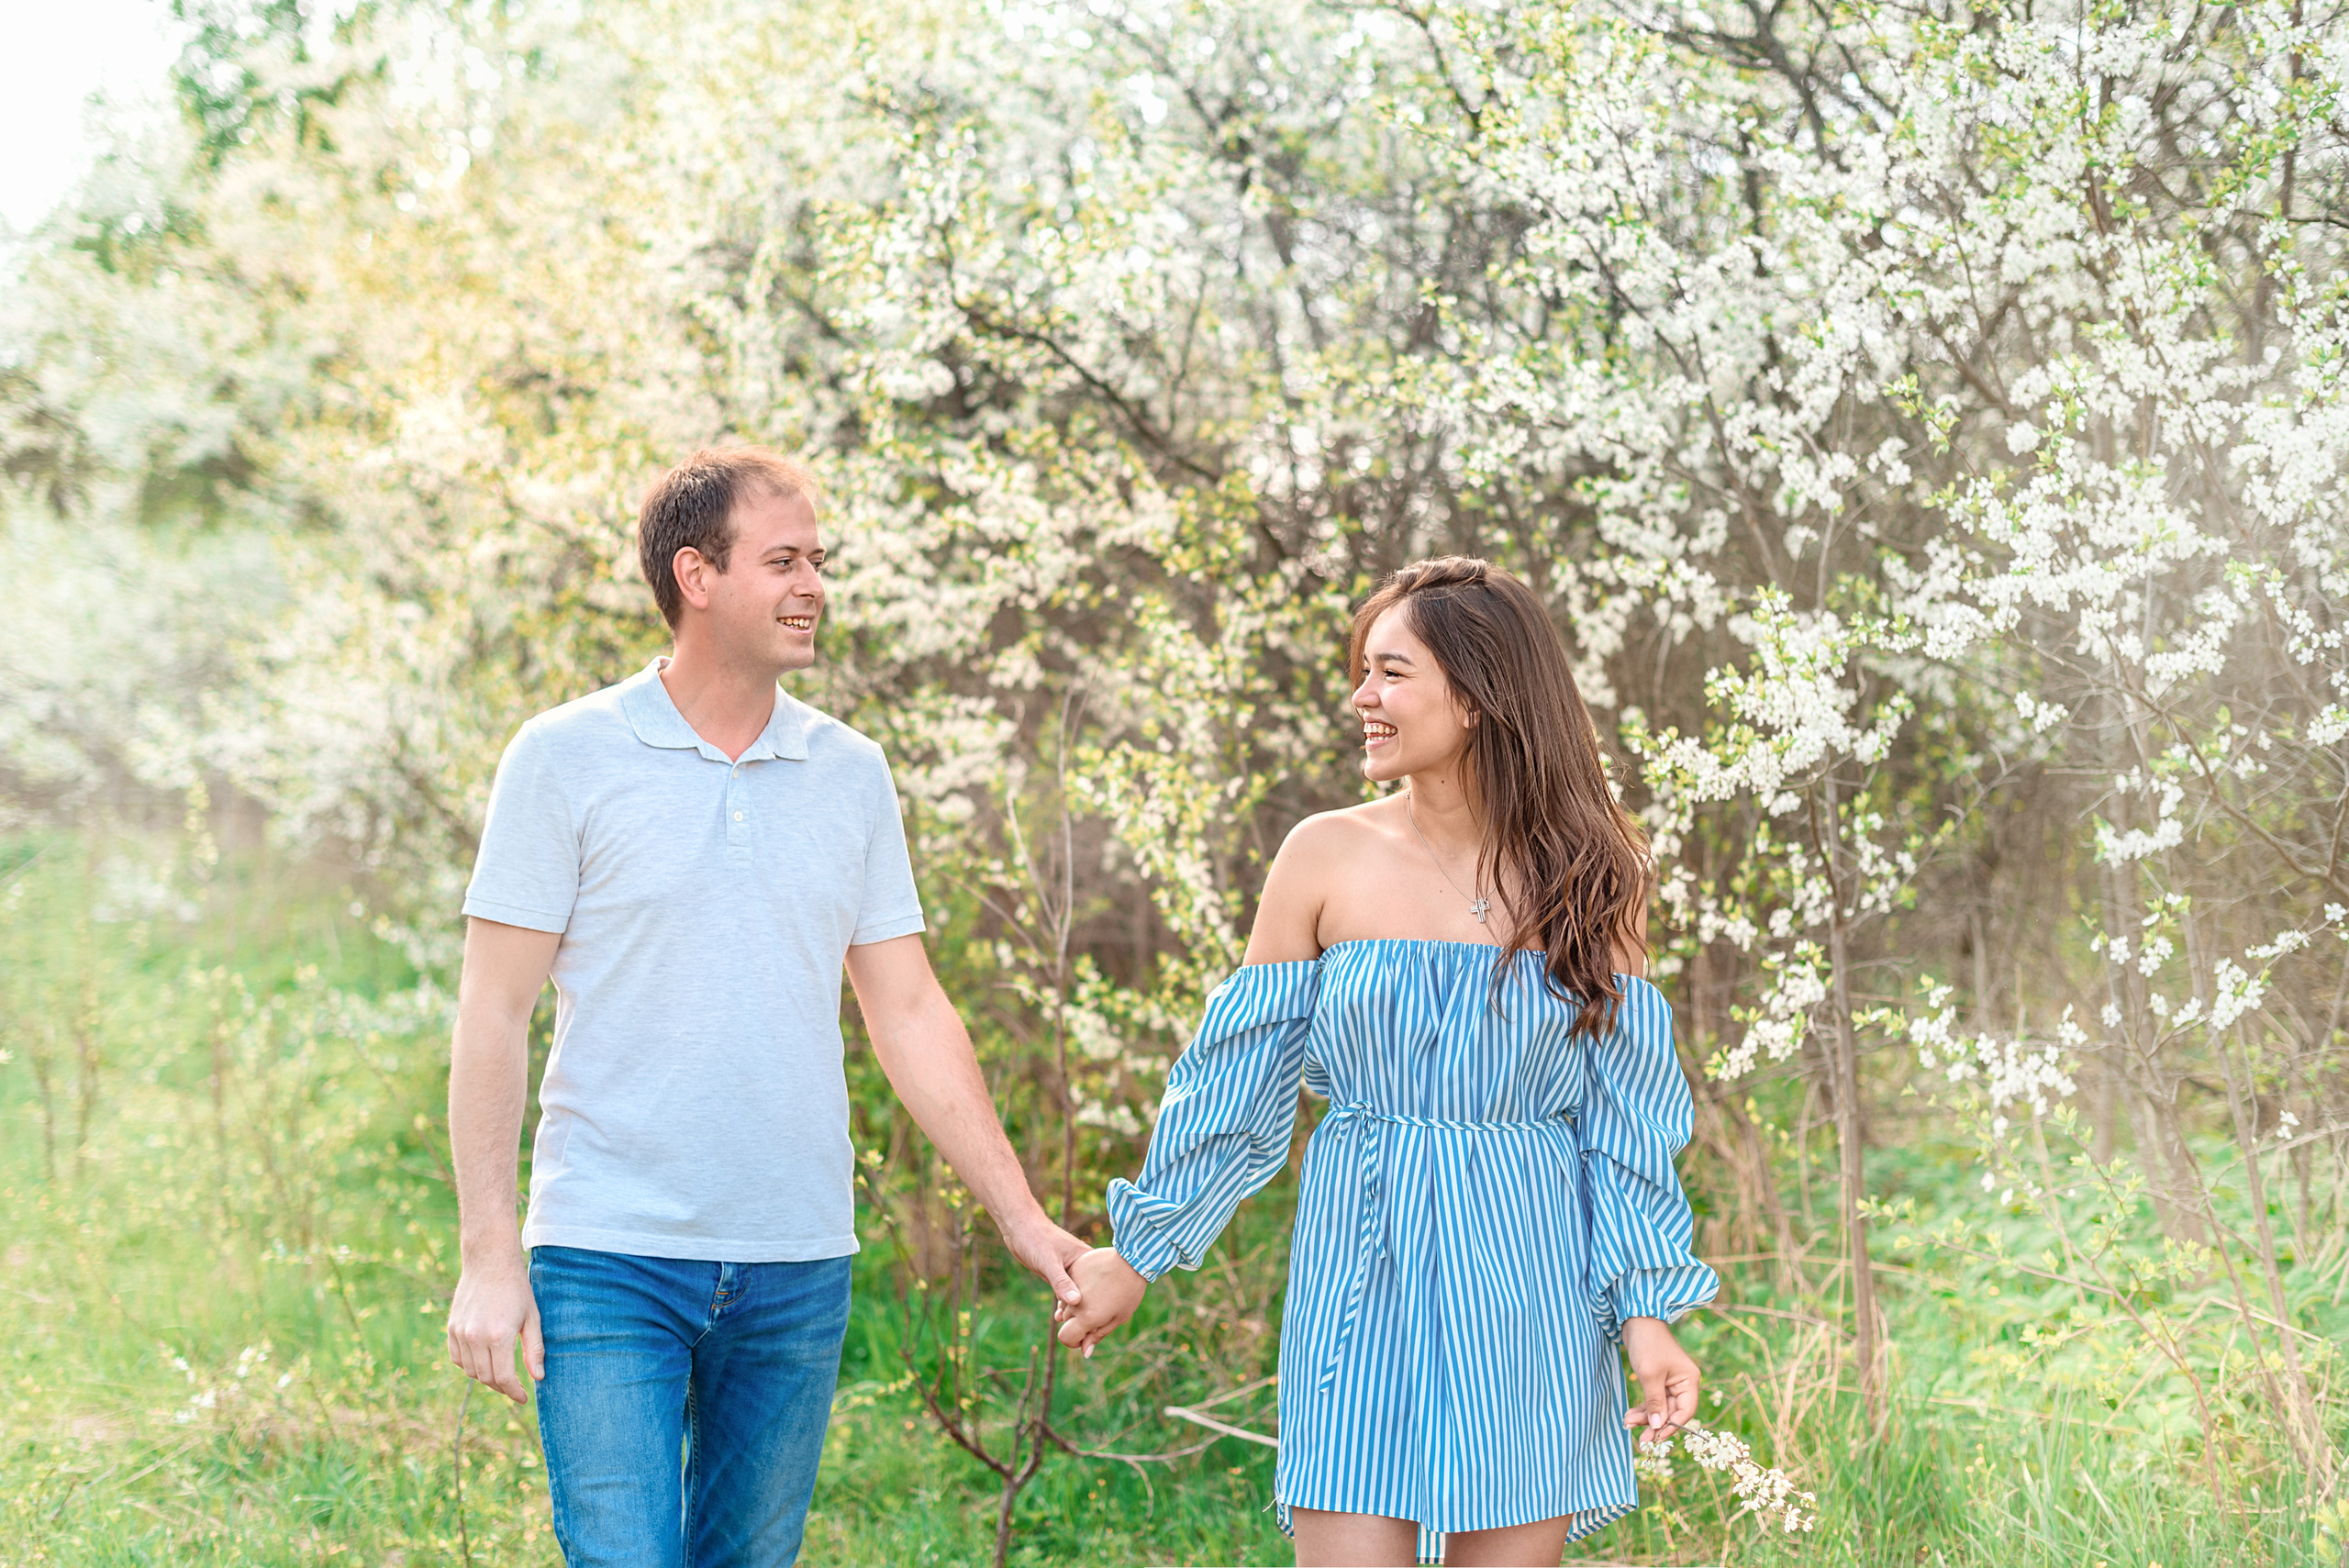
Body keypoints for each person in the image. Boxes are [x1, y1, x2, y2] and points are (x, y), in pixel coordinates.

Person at [442, 447, 1086, 1567]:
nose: (814, 585)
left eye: (818, 560)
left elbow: (910, 1010)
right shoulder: (564, 757)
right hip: (607, 1251)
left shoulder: (850, 772)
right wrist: (491, 1254)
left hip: (796, 1259)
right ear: (696, 575)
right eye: (783, 560)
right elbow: (491, 1015)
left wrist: (1024, 1219)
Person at [1053, 557, 1718, 1568]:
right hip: (1360, 1261)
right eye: (1363, 671)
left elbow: (1620, 1129)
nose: (1361, 698)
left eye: (1391, 672)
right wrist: (1138, 1249)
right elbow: (1237, 1082)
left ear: (1481, 693)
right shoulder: (1321, 855)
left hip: (1528, 1280)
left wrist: (1646, 1315)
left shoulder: (1594, 877)